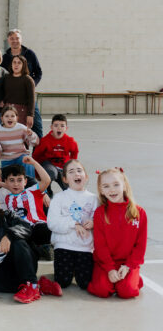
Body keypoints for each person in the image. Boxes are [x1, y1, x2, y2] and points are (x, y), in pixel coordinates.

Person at [0, 187, 61, 304]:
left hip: (21, 262)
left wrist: (9, 235)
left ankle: (31, 286)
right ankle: (40, 286)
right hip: (1, 269)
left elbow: (26, 228)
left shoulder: (8, 215)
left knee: (18, 241)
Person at [87, 168, 147, 299]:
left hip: (128, 264)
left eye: (116, 184)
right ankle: (115, 281)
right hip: (105, 263)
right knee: (101, 290)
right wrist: (110, 269)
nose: (112, 190)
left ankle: (134, 279)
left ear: (124, 185)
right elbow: (100, 245)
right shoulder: (100, 213)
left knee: (127, 292)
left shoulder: (139, 213)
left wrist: (128, 266)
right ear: (101, 190)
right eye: (106, 186)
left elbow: (140, 246)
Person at [46, 160, 98, 290]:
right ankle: (68, 270)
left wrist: (94, 222)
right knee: (62, 282)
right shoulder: (59, 197)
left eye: (79, 171)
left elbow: (101, 220)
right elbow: (52, 223)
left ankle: (75, 269)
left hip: (85, 248)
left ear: (86, 176)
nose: (76, 174)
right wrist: (73, 224)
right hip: (64, 246)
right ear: (65, 179)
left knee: (85, 284)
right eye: (71, 171)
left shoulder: (94, 199)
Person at [1, 29, 44, 137]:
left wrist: (31, 85)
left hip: (28, 97)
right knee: (15, 127)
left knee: (37, 126)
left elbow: (38, 72)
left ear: (21, 39)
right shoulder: (5, 58)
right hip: (13, 100)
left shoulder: (30, 54)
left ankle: (38, 148)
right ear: (8, 40)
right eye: (12, 39)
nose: (15, 41)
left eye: (17, 38)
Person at [2, 159, 52, 247]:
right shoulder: (7, 198)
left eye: (19, 180)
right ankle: (39, 249)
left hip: (37, 226)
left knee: (45, 229)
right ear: (5, 181)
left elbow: (46, 180)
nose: (16, 184)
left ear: (25, 181)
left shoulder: (32, 191)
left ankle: (45, 247)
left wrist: (34, 163)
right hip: (21, 231)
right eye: (12, 180)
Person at [33, 114, 79, 193]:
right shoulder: (45, 141)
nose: (59, 128)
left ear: (66, 128)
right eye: (56, 125)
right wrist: (38, 173)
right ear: (51, 127)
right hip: (49, 166)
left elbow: (75, 152)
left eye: (62, 126)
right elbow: (36, 156)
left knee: (70, 190)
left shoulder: (70, 141)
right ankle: (47, 191)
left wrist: (71, 166)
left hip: (63, 167)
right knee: (51, 172)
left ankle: (68, 192)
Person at [0, 105, 40, 177]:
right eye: (7, 116)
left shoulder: (21, 128)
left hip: (20, 156)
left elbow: (35, 143)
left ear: (17, 118)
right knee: (5, 176)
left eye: (12, 116)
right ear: (2, 118)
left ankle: (31, 181)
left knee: (28, 161)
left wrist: (31, 135)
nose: (10, 118)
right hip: (6, 159)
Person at [1, 55, 36, 128]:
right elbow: (4, 93)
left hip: (22, 111)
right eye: (14, 62)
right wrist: (3, 101)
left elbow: (31, 99)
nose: (16, 65)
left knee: (20, 132)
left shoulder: (28, 80)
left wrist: (30, 115)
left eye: (19, 63)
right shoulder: (6, 77)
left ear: (23, 65)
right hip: (7, 110)